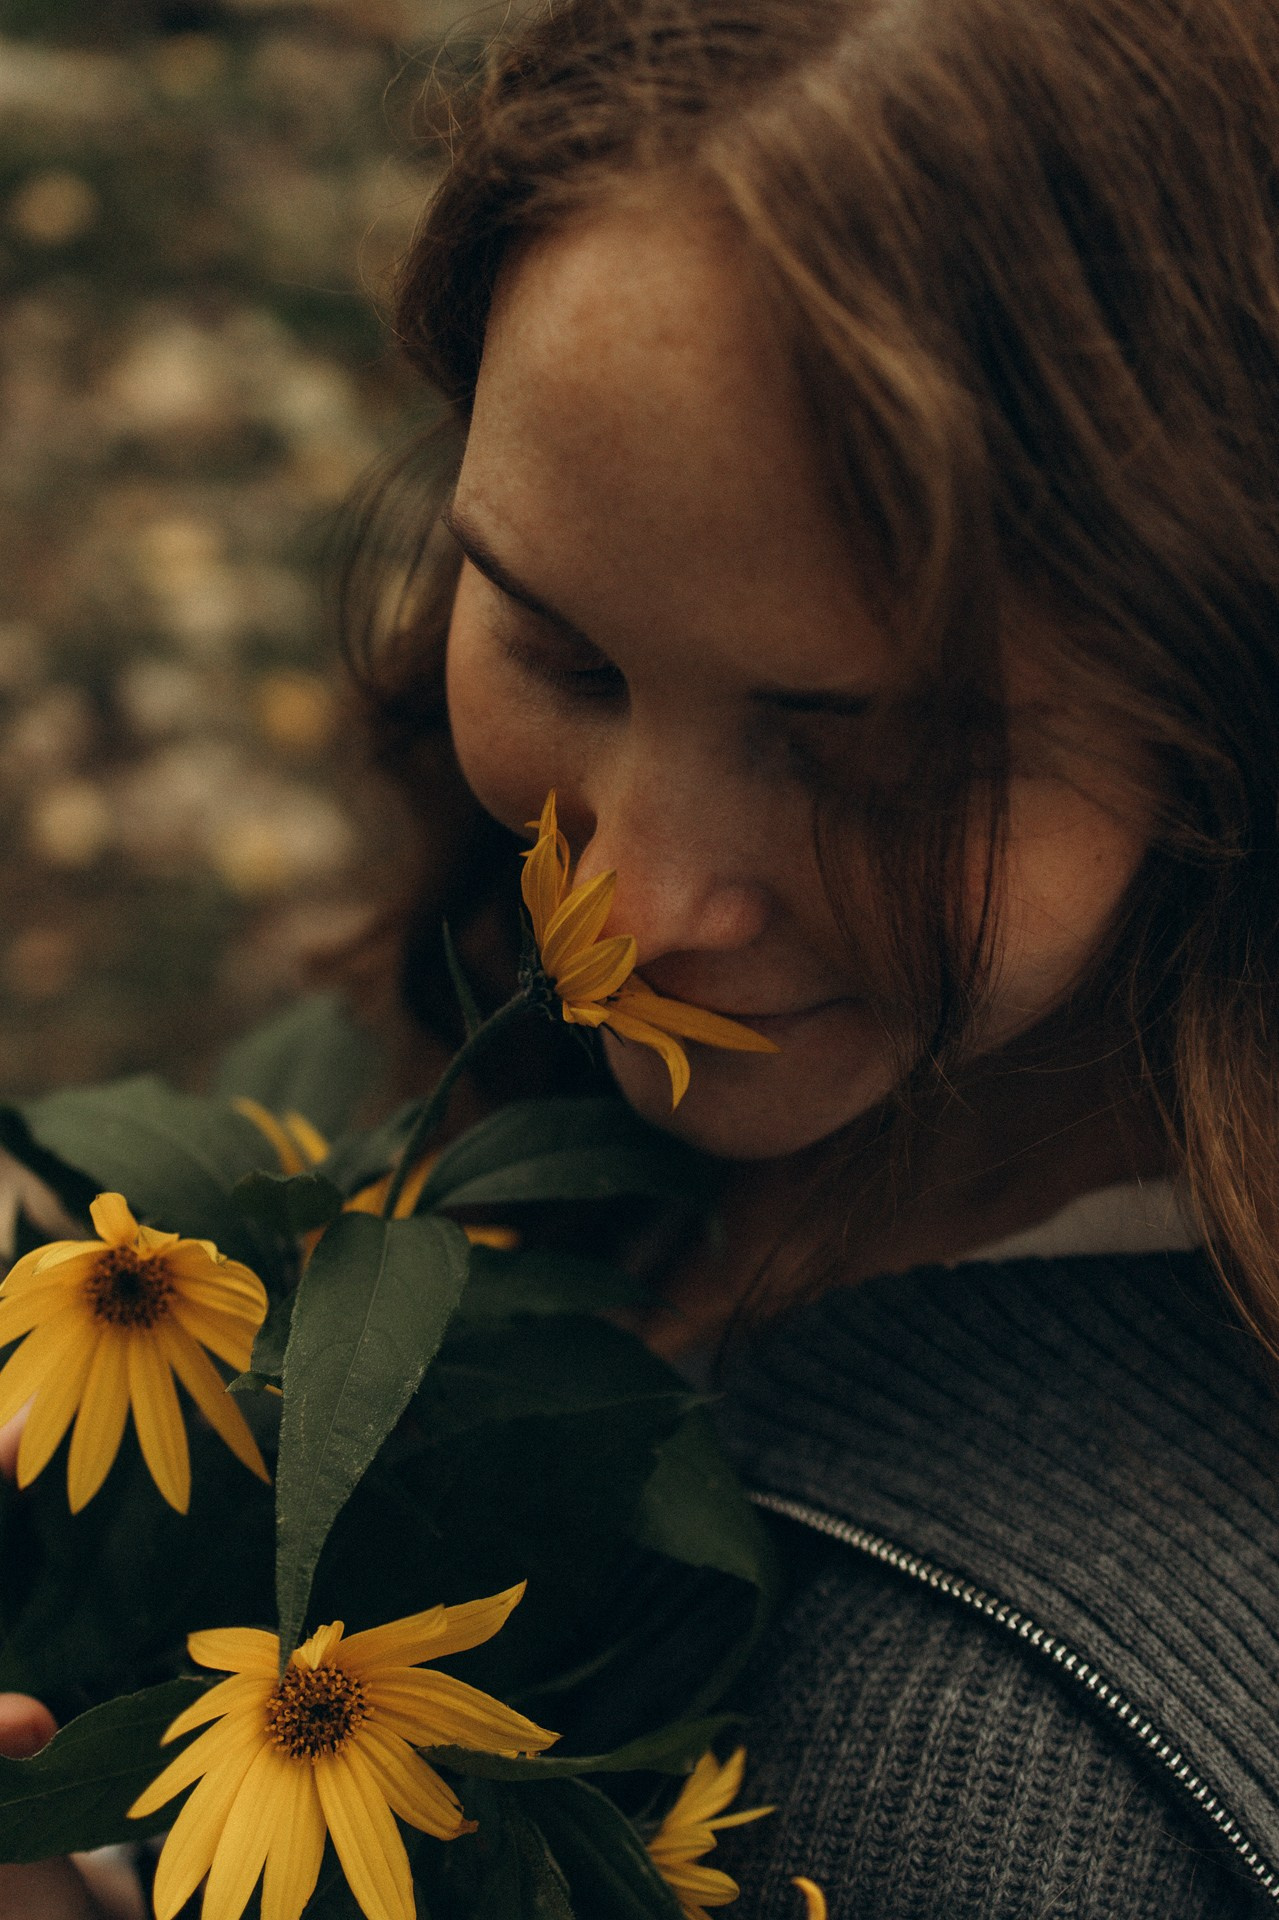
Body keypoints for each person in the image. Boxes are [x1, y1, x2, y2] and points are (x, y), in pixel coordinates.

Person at [7, 0, 1279, 1910]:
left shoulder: (975, 1798)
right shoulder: (483, 1014)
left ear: (1219, 697)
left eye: (873, 750)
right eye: (563, 650)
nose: (640, 905)